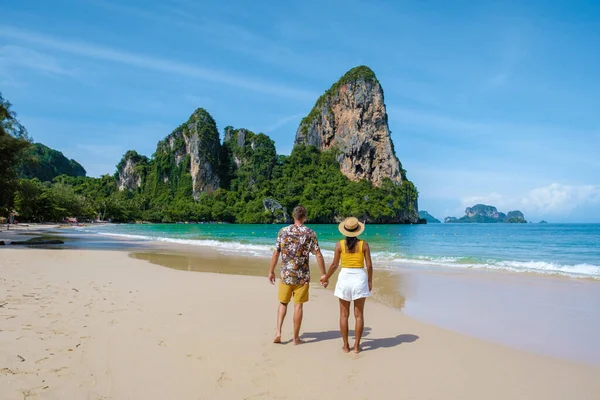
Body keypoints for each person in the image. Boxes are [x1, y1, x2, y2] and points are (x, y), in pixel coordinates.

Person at [268, 205, 327, 345]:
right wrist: (324, 273)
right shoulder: (310, 233)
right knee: (298, 306)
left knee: (283, 303)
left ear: (293, 216)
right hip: (302, 276)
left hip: (286, 275)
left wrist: (271, 271)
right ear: (304, 217)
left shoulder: (283, 231)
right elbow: (318, 254)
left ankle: (278, 332)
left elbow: (276, 252)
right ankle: (295, 338)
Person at [321, 217, 373, 353]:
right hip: (360, 278)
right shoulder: (364, 244)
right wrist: (370, 281)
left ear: (345, 230)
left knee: (344, 315)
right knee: (359, 315)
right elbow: (369, 265)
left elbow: (334, 264)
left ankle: (345, 346)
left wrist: (326, 277)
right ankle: (356, 346)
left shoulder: (340, 245)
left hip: (344, 278)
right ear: (358, 230)